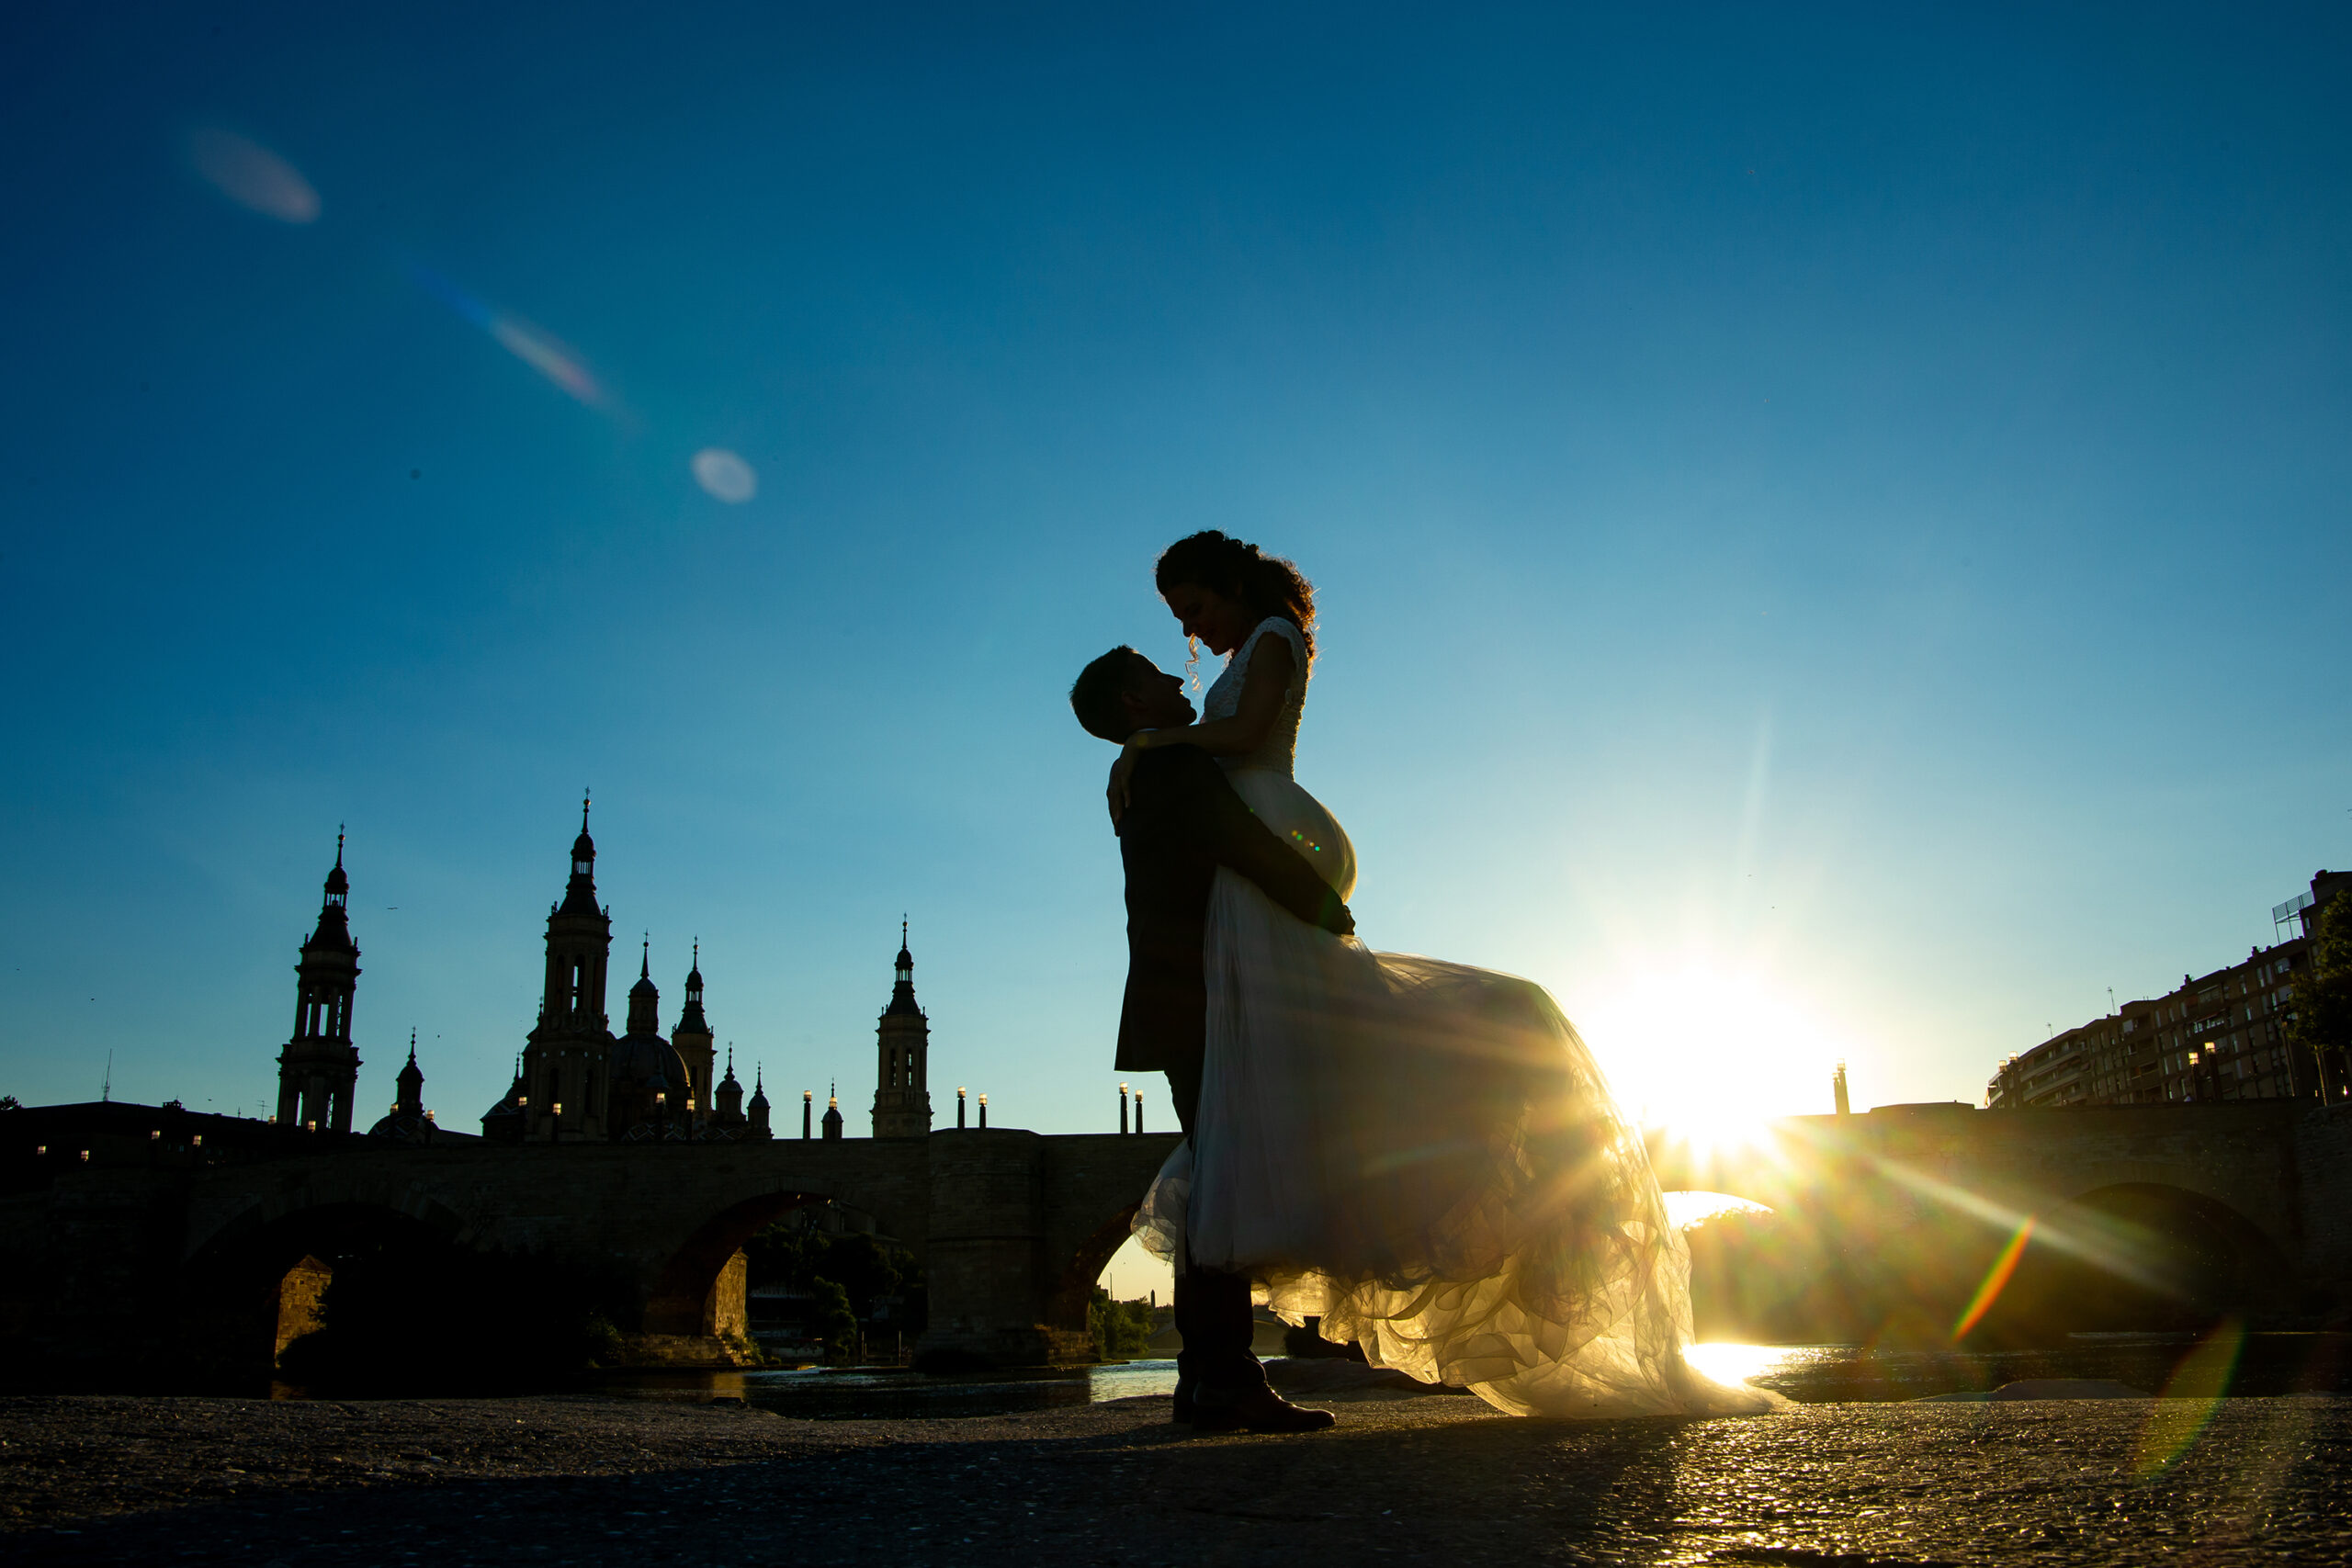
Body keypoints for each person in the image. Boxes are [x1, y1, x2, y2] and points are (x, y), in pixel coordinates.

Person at [1112, 530, 1769, 1418]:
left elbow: (1249, 735)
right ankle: (1218, 1376)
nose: (1190, 633)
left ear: (1228, 582)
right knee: (1251, 1122)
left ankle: (1219, 1376)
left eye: (1193, 608)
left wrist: (1156, 741)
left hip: (1270, 880)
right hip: (1246, 907)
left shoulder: (1265, 645)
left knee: (1255, 1119)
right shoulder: (1175, 749)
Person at [1068, 646, 1352, 1432]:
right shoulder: (1168, 765)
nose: (1175, 677)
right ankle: (1224, 1376)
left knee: (1212, 1178)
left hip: (1175, 1002)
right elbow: (1243, 843)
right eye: (1157, 675)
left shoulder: (1144, 767)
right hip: (1204, 998)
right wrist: (1329, 911)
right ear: (1135, 701)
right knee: (1226, 1178)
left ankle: (1204, 1378)